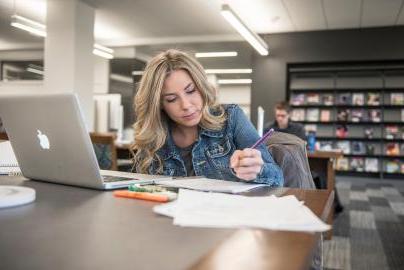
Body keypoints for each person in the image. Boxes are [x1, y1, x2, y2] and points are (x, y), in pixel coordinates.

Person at [131, 49, 283, 186]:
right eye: (171, 99)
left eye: (191, 91)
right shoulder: (153, 136)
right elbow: (138, 191)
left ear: (202, 87)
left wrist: (258, 170)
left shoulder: (231, 117)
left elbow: (278, 179)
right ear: (159, 104)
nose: (186, 105)